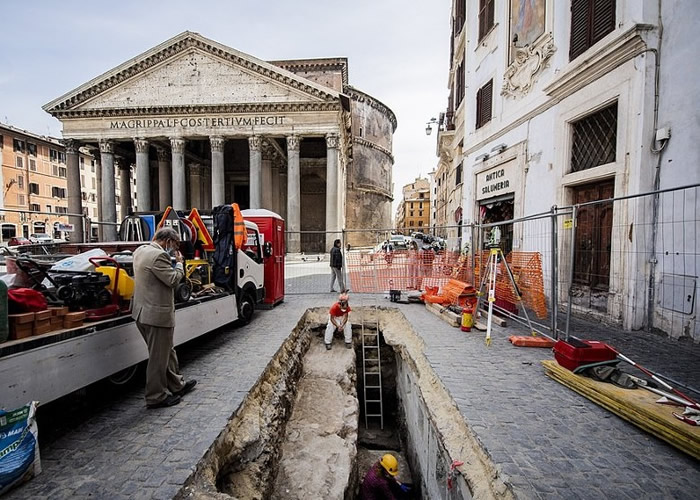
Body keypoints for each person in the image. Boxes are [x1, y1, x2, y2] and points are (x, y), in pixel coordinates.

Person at [132, 227, 197, 409]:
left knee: (167, 352)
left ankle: (177, 385)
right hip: (156, 315)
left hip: (142, 312)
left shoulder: (141, 250)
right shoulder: (158, 256)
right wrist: (178, 264)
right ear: (167, 240)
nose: (175, 249)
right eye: (175, 245)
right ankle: (156, 396)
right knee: (158, 358)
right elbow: (173, 280)